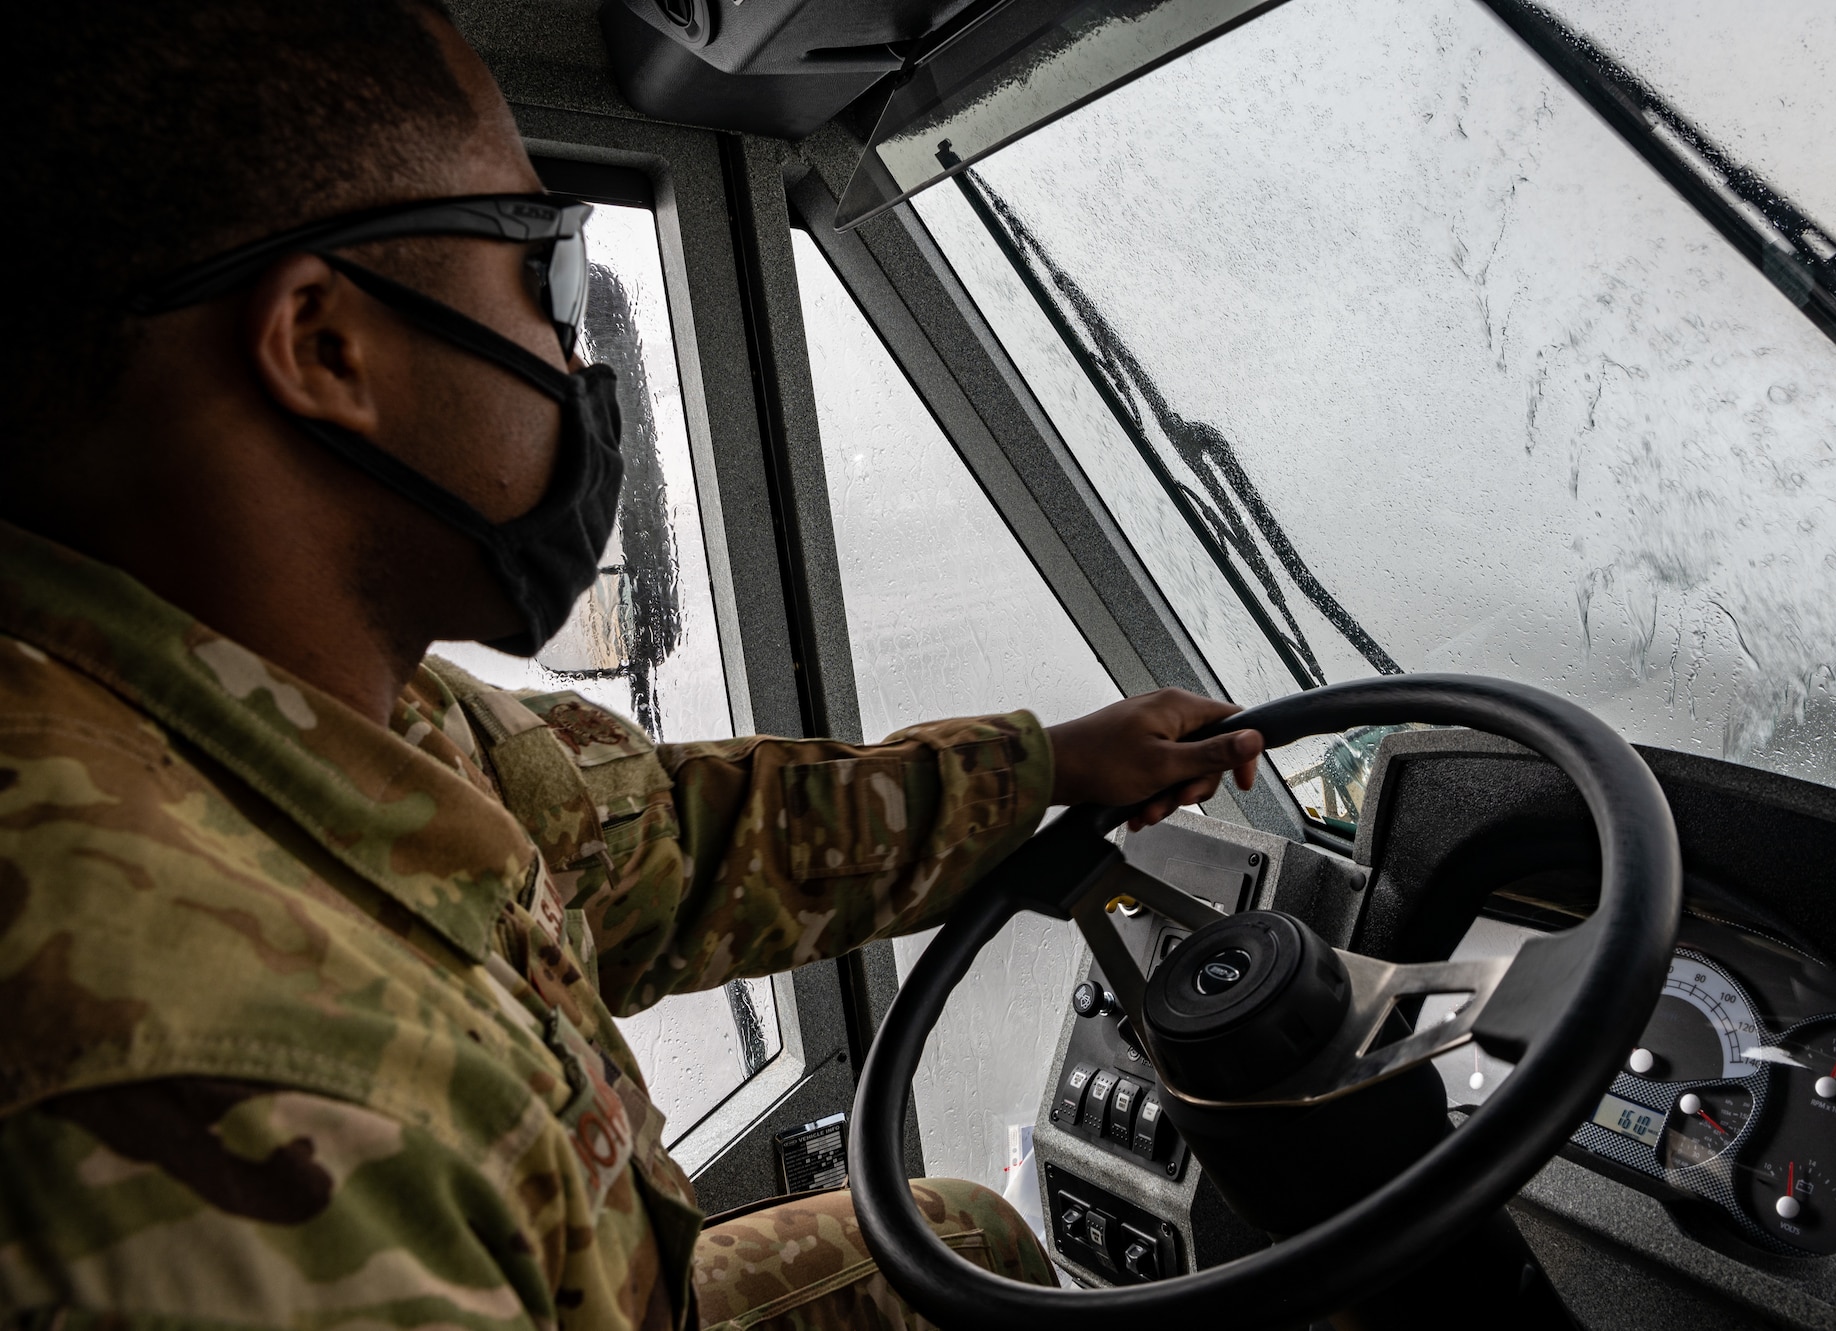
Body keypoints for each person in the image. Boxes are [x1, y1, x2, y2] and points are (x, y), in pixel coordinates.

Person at [0, 3, 1264, 1327]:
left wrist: (1051, 768)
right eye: (548, 275)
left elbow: (667, 840)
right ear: (326, 346)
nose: (576, 355)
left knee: (960, 1248)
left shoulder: (337, 712)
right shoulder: (196, 1070)